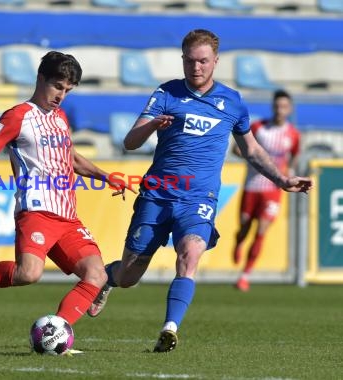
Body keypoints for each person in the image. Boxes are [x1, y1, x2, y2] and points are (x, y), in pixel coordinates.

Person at [86, 29, 313, 353]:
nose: (197, 68)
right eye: (190, 61)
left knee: (189, 255)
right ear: (183, 60)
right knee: (129, 276)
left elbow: (251, 150)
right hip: (158, 195)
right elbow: (130, 141)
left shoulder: (232, 102)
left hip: (199, 199)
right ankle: (109, 277)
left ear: (215, 61)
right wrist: (152, 125)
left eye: (203, 61)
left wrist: (282, 179)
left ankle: (169, 328)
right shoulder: (166, 94)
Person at [0, 51, 133, 349]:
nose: (61, 96)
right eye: (58, 86)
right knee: (28, 273)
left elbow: (71, 159)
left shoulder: (60, 118)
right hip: (36, 212)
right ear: (40, 78)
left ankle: (58, 336)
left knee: (95, 275)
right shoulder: (17, 116)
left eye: (68, 90)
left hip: (68, 217)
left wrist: (106, 176)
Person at [232, 90, 300, 292]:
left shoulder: (293, 134)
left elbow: (295, 156)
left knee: (261, 230)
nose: (280, 110)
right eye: (277, 106)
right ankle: (239, 242)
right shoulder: (258, 127)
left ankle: (245, 275)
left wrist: (289, 172)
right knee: (244, 226)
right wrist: (249, 156)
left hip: (273, 189)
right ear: (272, 107)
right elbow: (238, 148)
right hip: (252, 185)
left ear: (290, 109)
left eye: (284, 107)